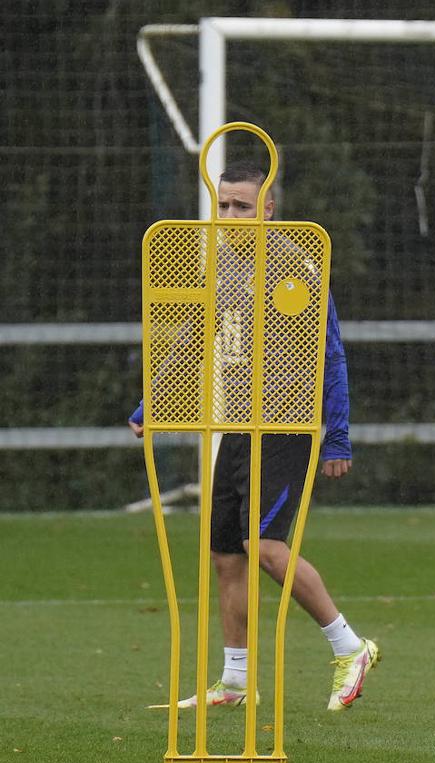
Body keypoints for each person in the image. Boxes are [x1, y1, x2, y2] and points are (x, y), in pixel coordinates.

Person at [128, 162, 378, 712]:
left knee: (264, 547)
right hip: (237, 426)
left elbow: (329, 352)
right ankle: (236, 679)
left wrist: (337, 436)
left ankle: (350, 646)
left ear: (267, 209)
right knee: (225, 555)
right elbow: (195, 337)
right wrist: (154, 401)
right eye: (224, 205)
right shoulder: (221, 265)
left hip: (284, 426)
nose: (231, 215)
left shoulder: (294, 264)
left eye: (243, 206)